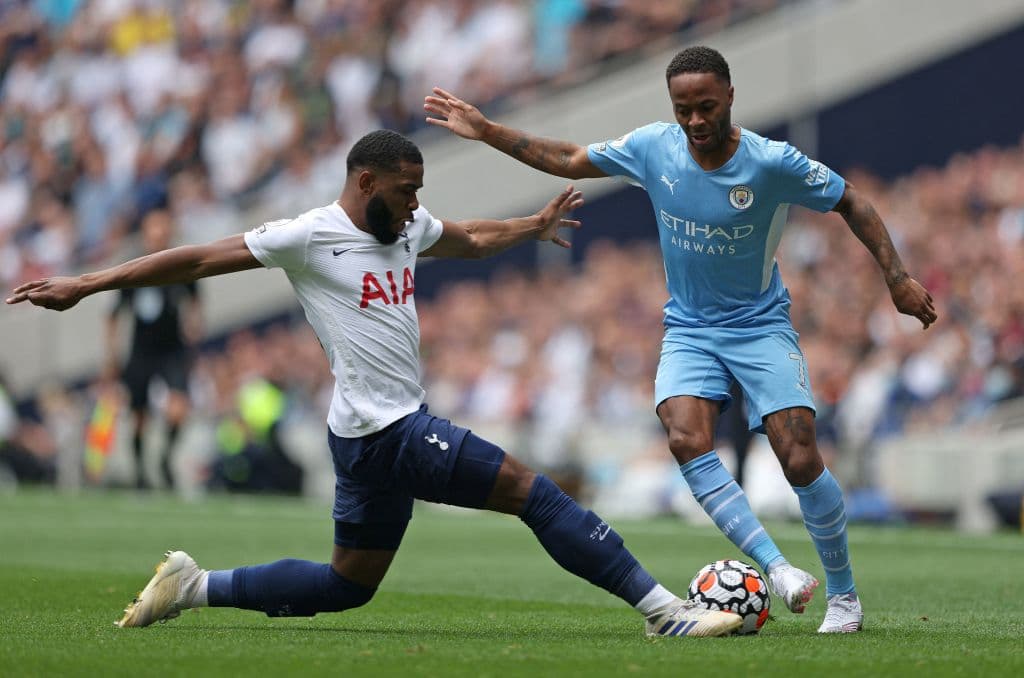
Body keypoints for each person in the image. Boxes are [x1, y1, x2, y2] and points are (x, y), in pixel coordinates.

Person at [7, 130, 742, 638]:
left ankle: (193, 586)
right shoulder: (309, 235)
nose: (417, 203)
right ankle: (663, 610)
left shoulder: (405, 228)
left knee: (347, 586)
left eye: (419, 191)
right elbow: (196, 260)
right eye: (406, 189)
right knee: (532, 491)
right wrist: (87, 284)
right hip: (390, 430)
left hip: (362, 436)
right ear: (366, 183)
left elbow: (468, 237)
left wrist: (530, 225)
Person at [424, 45, 938, 634]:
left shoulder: (772, 162)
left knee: (798, 457)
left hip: (760, 325)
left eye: (706, 107)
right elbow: (569, 157)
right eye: (683, 109)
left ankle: (844, 597)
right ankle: (777, 568)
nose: (695, 120)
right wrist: (487, 130)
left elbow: (853, 202)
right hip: (690, 328)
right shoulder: (653, 147)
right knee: (684, 437)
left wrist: (897, 278)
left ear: (730, 97)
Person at [107, 210, 201, 490]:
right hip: (141, 352)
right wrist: (112, 353)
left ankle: (165, 458)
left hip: (172, 350)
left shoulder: (180, 264)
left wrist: (194, 327)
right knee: (139, 417)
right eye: (153, 228)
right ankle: (139, 473)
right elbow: (114, 314)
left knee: (178, 410)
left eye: (163, 228)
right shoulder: (134, 266)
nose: (159, 234)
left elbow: (194, 300)